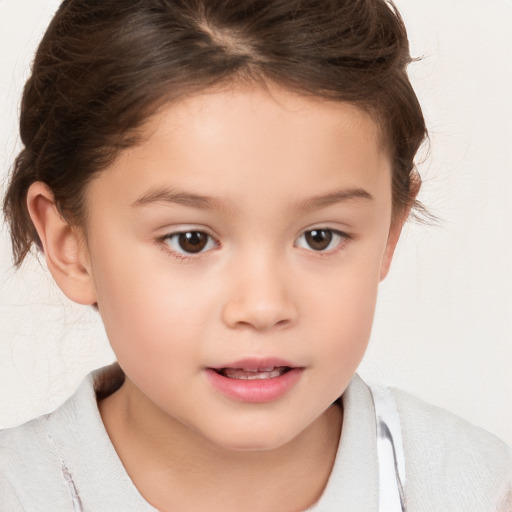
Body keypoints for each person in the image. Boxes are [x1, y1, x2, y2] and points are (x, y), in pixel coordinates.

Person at [1, 0, 511, 510]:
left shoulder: (475, 489)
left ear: (389, 232)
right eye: (191, 240)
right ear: (70, 244)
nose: (264, 307)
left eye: (319, 237)